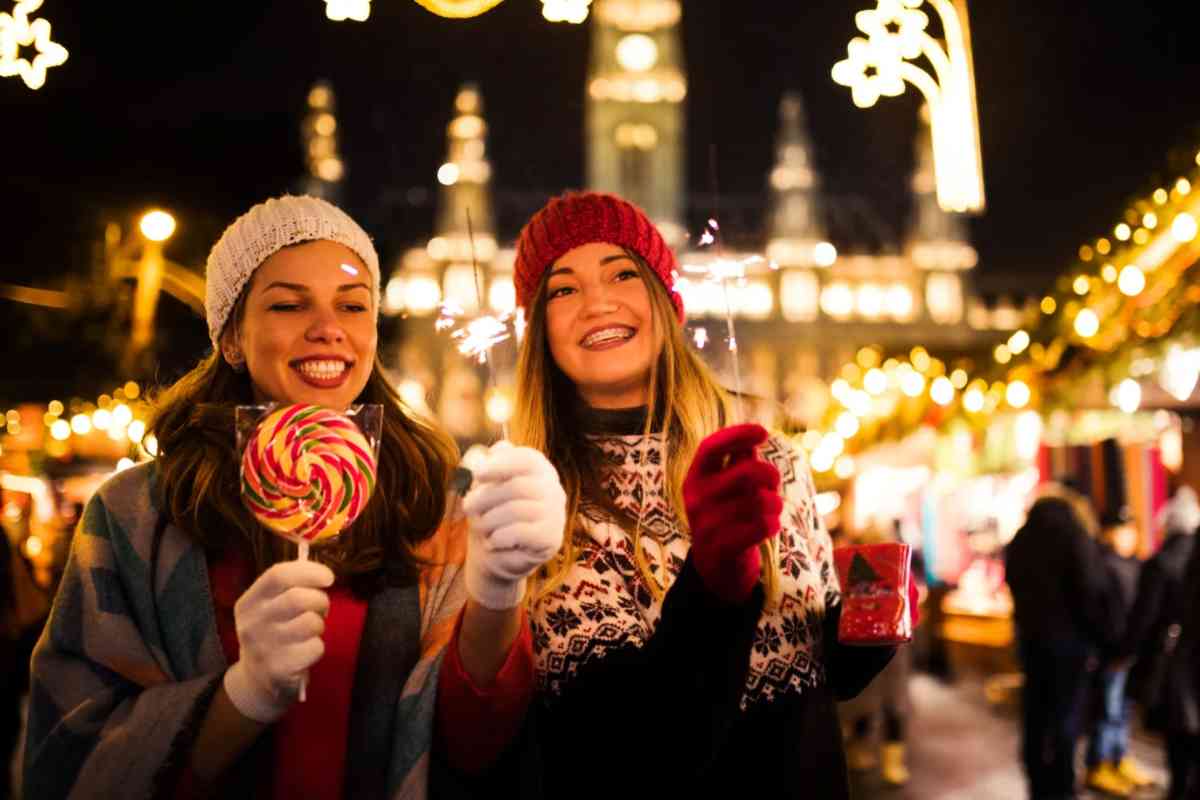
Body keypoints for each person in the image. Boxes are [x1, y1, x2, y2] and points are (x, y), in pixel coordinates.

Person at [22, 195, 564, 799]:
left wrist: (496, 593)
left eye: (353, 305)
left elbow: (479, 742)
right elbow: (65, 758)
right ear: (231, 337)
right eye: (287, 304)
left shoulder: (435, 509)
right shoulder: (135, 516)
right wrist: (241, 695)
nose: (328, 327)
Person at [508, 191, 902, 799]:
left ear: (669, 302)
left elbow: (814, 673)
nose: (599, 301)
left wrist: (868, 622)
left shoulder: (771, 457)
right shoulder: (538, 503)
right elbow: (638, 751)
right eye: (563, 289)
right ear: (538, 332)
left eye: (624, 273)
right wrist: (714, 585)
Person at [1005, 487, 1115, 800]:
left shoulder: (1021, 539)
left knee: (1036, 713)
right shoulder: (1075, 536)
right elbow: (1090, 591)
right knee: (1066, 714)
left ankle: (1037, 780)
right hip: (1071, 645)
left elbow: (1012, 583)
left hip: (1031, 642)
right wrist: (1100, 637)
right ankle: (1063, 782)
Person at [1120, 483, 1200, 799]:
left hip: (1177, 664)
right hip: (1185, 663)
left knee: (1180, 754)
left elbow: (1145, 617)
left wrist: (1126, 653)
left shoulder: (1163, 562)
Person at [1084, 506, 1152, 797]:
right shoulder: (1100, 565)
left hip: (1131, 650)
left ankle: (1118, 757)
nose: (1127, 536)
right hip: (1111, 652)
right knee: (1107, 710)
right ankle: (1099, 764)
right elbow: (1101, 615)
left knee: (1122, 710)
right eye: (1121, 529)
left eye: (1130, 529)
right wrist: (1112, 649)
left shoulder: (1136, 564)